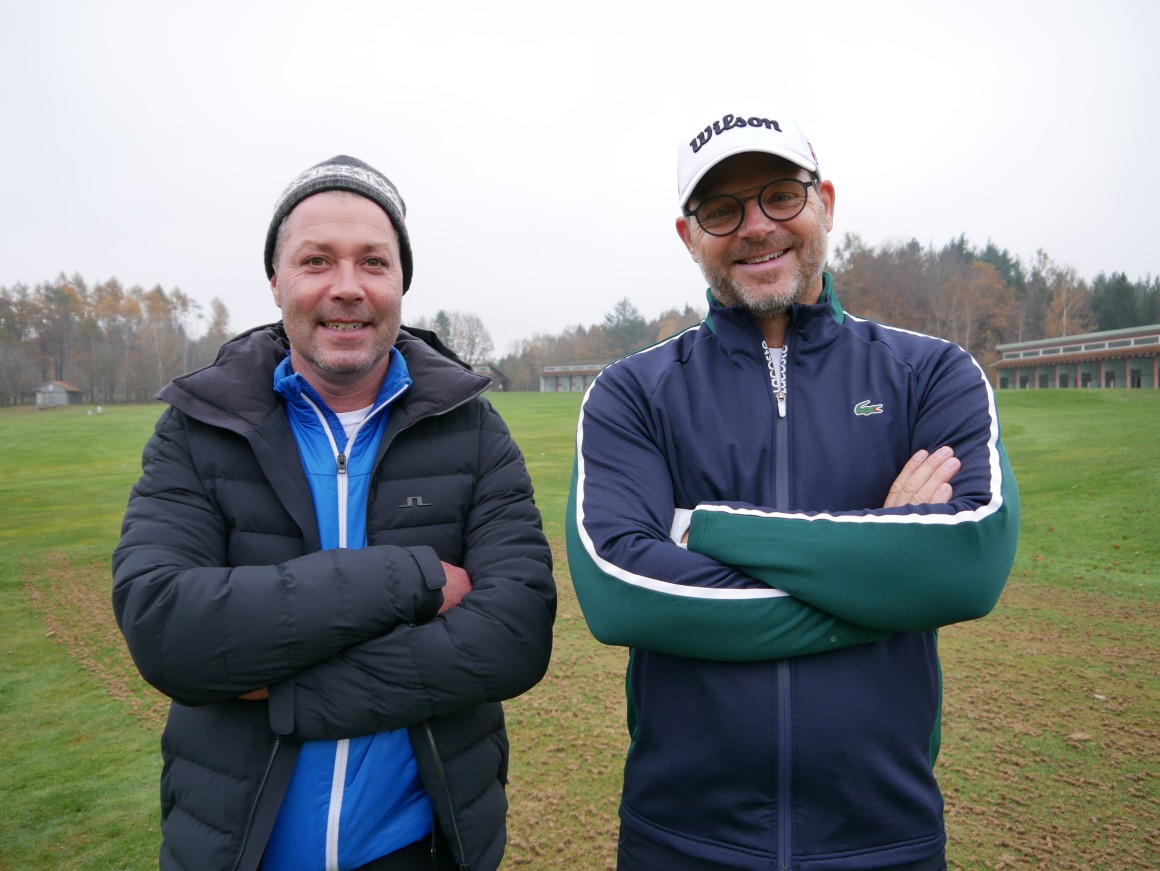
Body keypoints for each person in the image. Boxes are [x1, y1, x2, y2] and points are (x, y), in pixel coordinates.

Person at [566, 108, 1020, 870]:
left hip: (884, 834)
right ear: (689, 236)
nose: (755, 226)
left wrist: (702, 527)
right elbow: (620, 592)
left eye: (781, 194)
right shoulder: (632, 392)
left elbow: (967, 566)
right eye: (721, 209)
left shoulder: (931, 373)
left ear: (826, 203)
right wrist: (881, 566)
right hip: (680, 836)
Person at [113, 155, 556, 871]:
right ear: (276, 281)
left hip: (421, 848)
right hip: (234, 851)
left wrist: (285, 690)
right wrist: (409, 577)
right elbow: (166, 627)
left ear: (400, 283)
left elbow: (516, 633)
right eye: (317, 260)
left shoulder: (473, 429)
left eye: (373, 262)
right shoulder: (198, 428)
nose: (347, 287)